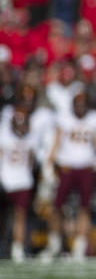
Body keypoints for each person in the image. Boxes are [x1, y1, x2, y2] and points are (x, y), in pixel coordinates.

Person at [40, 91, 96, 261]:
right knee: (56, 206)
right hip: (67, 168)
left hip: (87, 168)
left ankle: (80, 244)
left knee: (84, 207)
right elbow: (56, 142)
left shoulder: (94, 119)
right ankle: (54, 242)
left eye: (83, 105)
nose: (80, 108)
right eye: (77, 105)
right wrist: (49, 164)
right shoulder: (64, 119)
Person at [0, 106, 41, 262]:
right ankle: (6, 246)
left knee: (20, 216)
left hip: (23, 181)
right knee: (5, 216)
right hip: (5, 181)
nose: (21, 127)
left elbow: (32, 162)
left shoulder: (32, 138)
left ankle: (17, 249)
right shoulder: (4, 136)